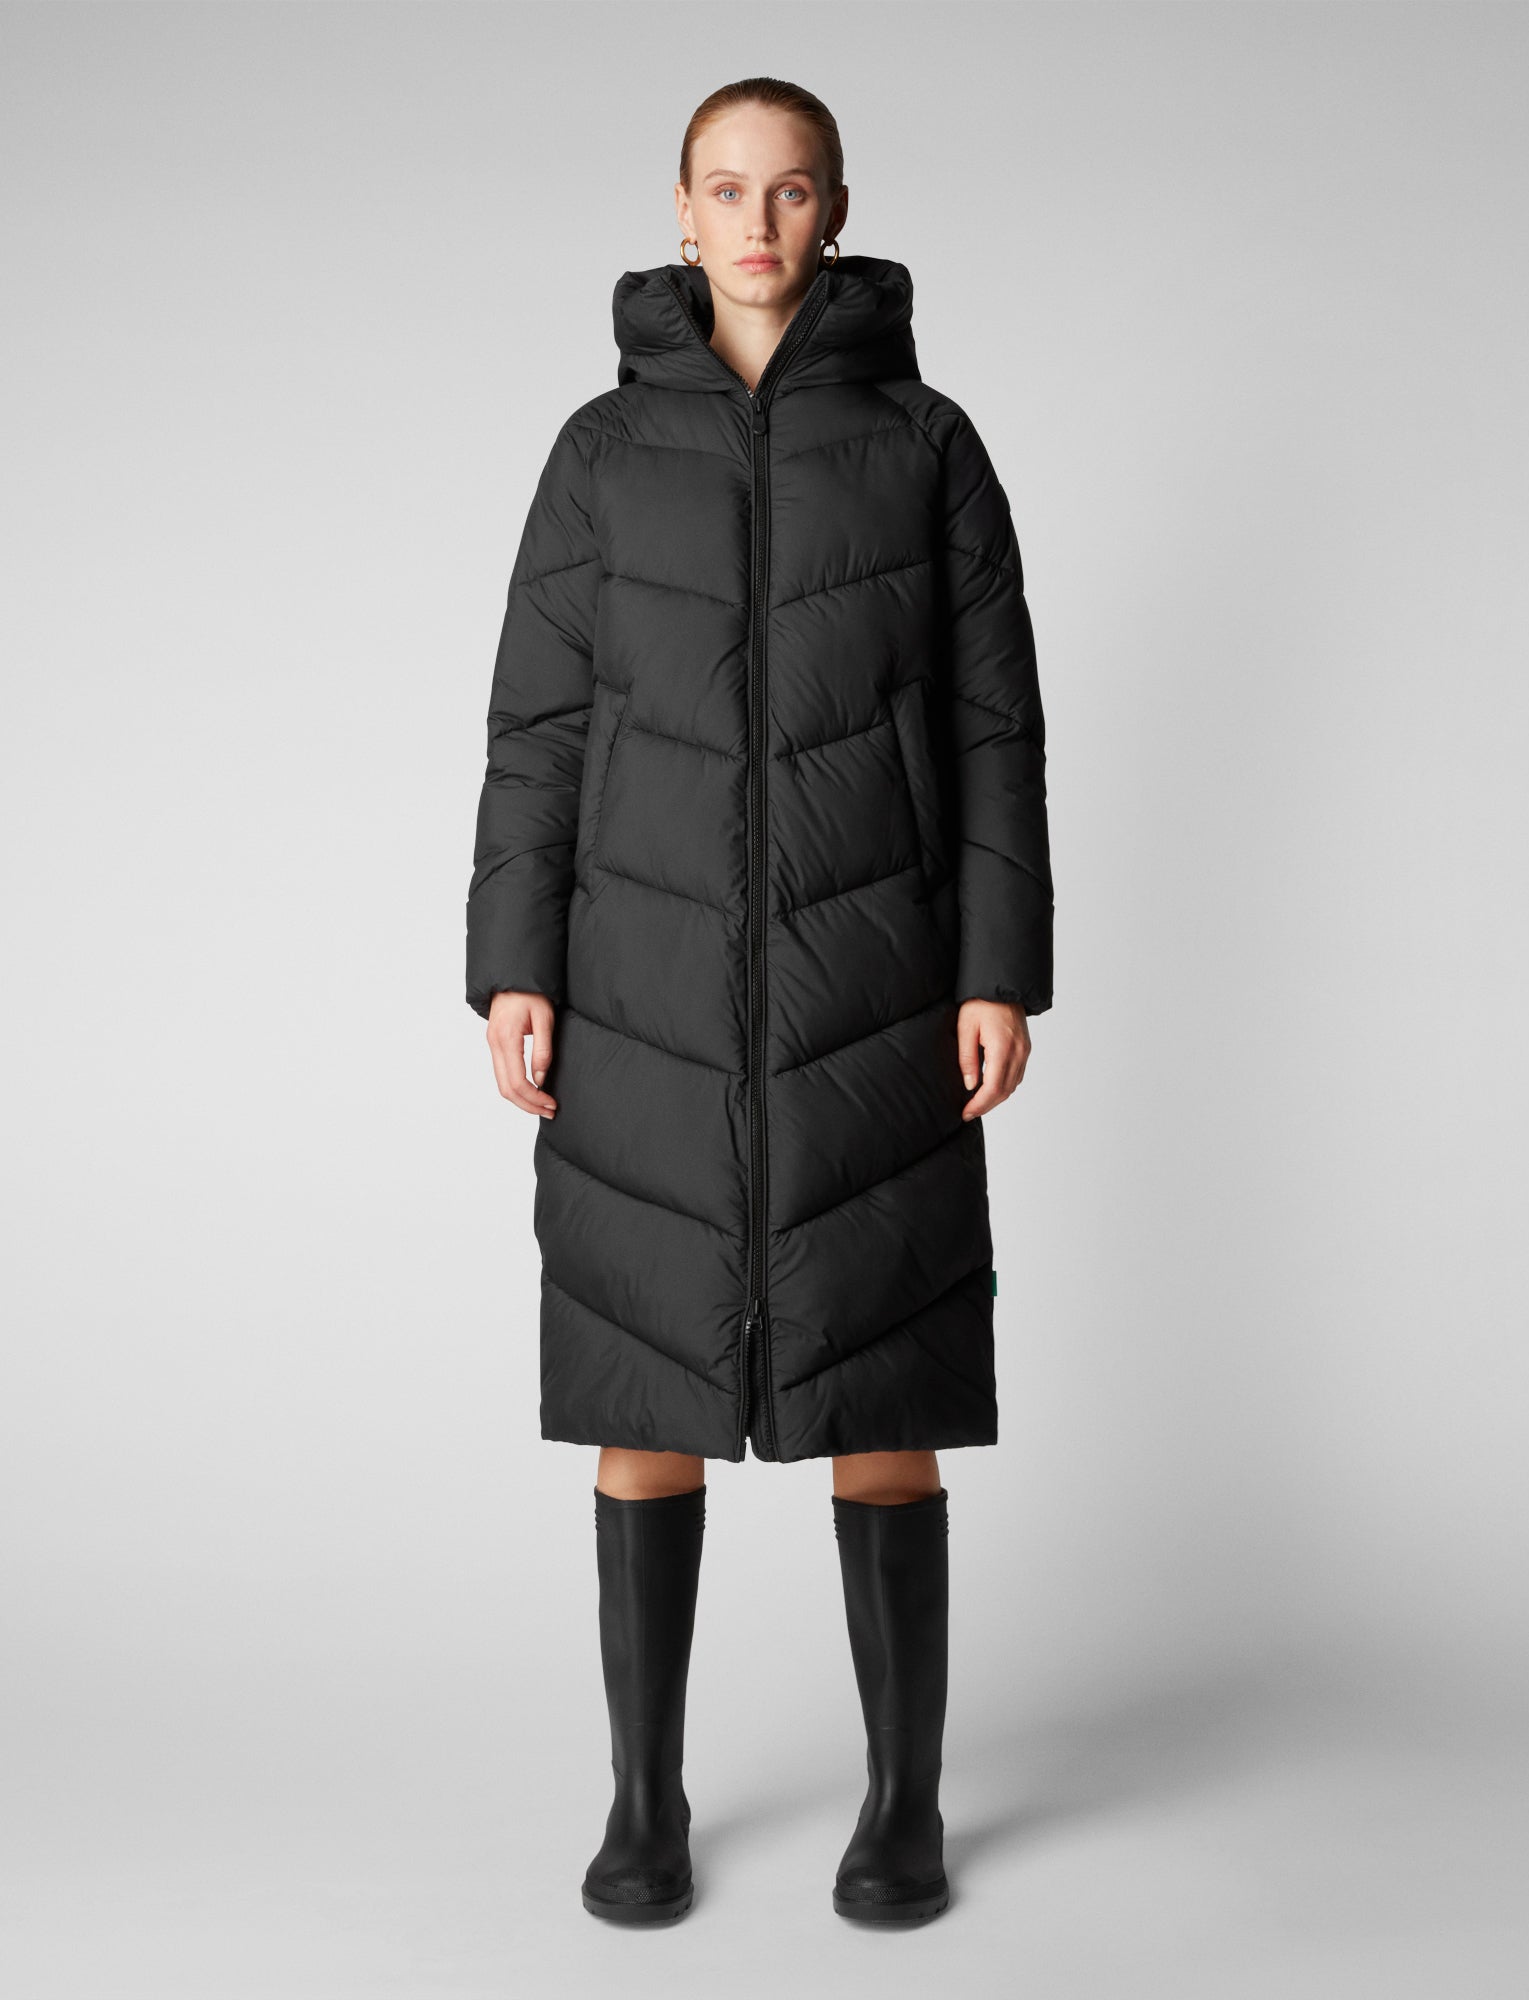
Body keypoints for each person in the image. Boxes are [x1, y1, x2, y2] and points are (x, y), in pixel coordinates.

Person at [464, 77, 1053, 1926]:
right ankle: (645, 1803)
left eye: (792, 192)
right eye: (728, 190)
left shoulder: (929, 447)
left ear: (837, 209)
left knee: (885, 1385)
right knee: (644, 1383)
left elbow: (995, 732)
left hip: (872, 973)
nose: (759, 223)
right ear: (681, 208)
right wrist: (514, 962)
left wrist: (997, 969)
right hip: (637, 980)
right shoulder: (598, 453)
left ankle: (904, 1807)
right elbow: (539, 728)